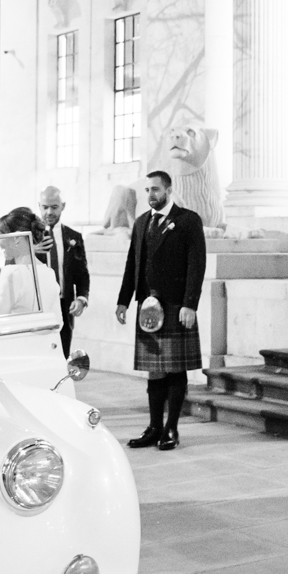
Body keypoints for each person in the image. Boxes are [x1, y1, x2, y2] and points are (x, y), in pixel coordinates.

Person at [115, 169, 206, 451]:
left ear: (168, 190)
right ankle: (154, 428)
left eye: (155, 189)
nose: (150, 195)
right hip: (148, 308)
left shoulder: (188, 220)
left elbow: (197, 264)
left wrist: (190, 304)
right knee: (154, 371)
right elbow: (133, 264)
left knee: (175, 370)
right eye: (147, 190)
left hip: (176, 306)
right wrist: (123, 300)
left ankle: (171, 429)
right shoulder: (142, 222)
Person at [37, 185, 90, 354]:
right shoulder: (29, 237)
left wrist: (81, 298)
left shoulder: (73, 237)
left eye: (54, 207)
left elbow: (82, 274)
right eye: (45, 207)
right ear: (39, 206)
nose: (49, 212)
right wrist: (32, 249)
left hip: (64, 305)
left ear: (63, 206)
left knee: (63, 353)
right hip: (38, 306)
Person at [0, 207, 61, 317]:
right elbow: (57, 321)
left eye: (1, 235)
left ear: (16, 238)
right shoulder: (49, 273)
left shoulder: (11, 273)